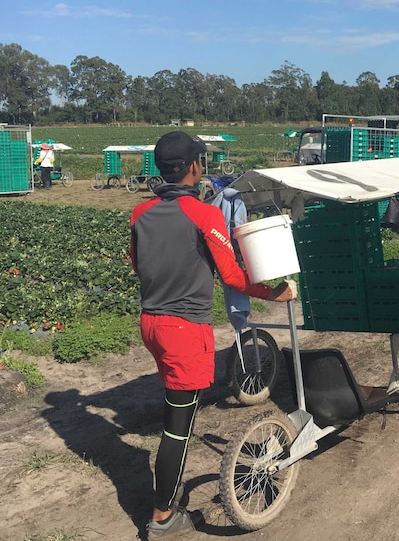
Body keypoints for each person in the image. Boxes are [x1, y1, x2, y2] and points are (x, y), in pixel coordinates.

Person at [129, 131, 296, 538]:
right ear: (194, 167)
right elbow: (234, 276)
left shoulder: (140, 212)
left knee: (175, 409)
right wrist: (275, 292)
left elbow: (138, 266)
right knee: (177, 427)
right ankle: (163, 518)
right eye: (201, 161)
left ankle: (167, 498)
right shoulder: (204, 214)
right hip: (183, 328)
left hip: (151, 321)